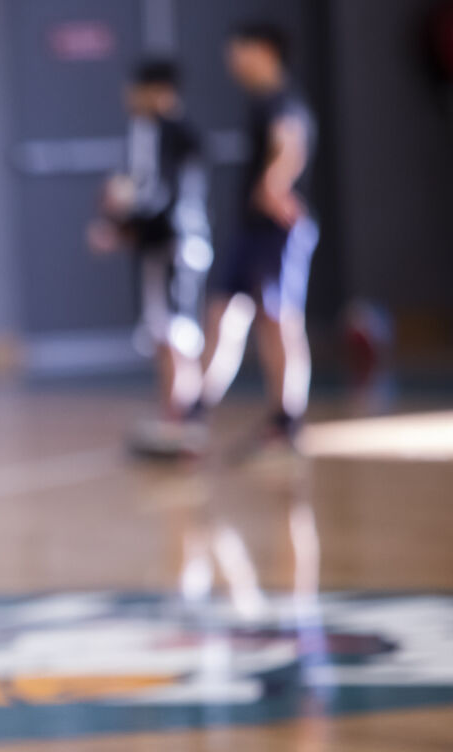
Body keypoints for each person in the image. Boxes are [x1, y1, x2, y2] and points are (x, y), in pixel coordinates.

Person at [193, 22, 319, 455]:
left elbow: (290, 143)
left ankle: (287, 419)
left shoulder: (283, 101)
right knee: (222, 313)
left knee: (278, 320)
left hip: (275, 230)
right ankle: (193, 411)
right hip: (250, 230)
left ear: (264, 51)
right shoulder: (261, 101)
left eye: (238, 50)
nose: (232, 60)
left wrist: (273, 184)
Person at [86, 58, 212, 456]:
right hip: (181, 240)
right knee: (172, 331)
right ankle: (179, 419)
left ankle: (179, 423)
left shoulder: (158, 131)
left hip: (168, 244)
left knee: (171, 332)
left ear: (158, 92)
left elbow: (156, 194)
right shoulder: (182, 133)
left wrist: (122, 227)